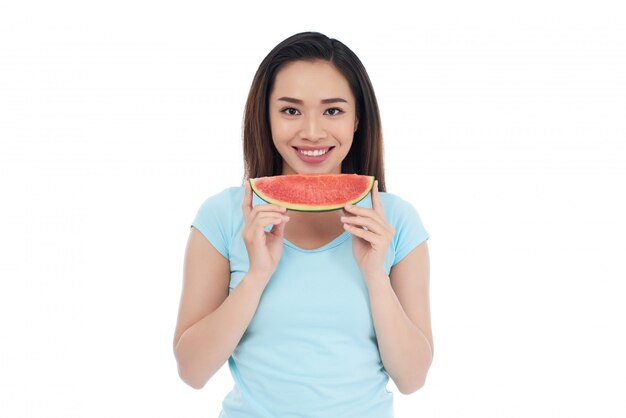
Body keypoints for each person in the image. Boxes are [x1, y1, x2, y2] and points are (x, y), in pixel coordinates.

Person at [173, 31, 433, 417]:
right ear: (266, 117)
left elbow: (412, 379)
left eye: (333, 110)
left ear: (358, 118)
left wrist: (376, 276)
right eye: (291, 110)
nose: (312, 131)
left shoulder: (395, 221)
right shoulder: (222, 216)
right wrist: (257, 274)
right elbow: (192, 371)